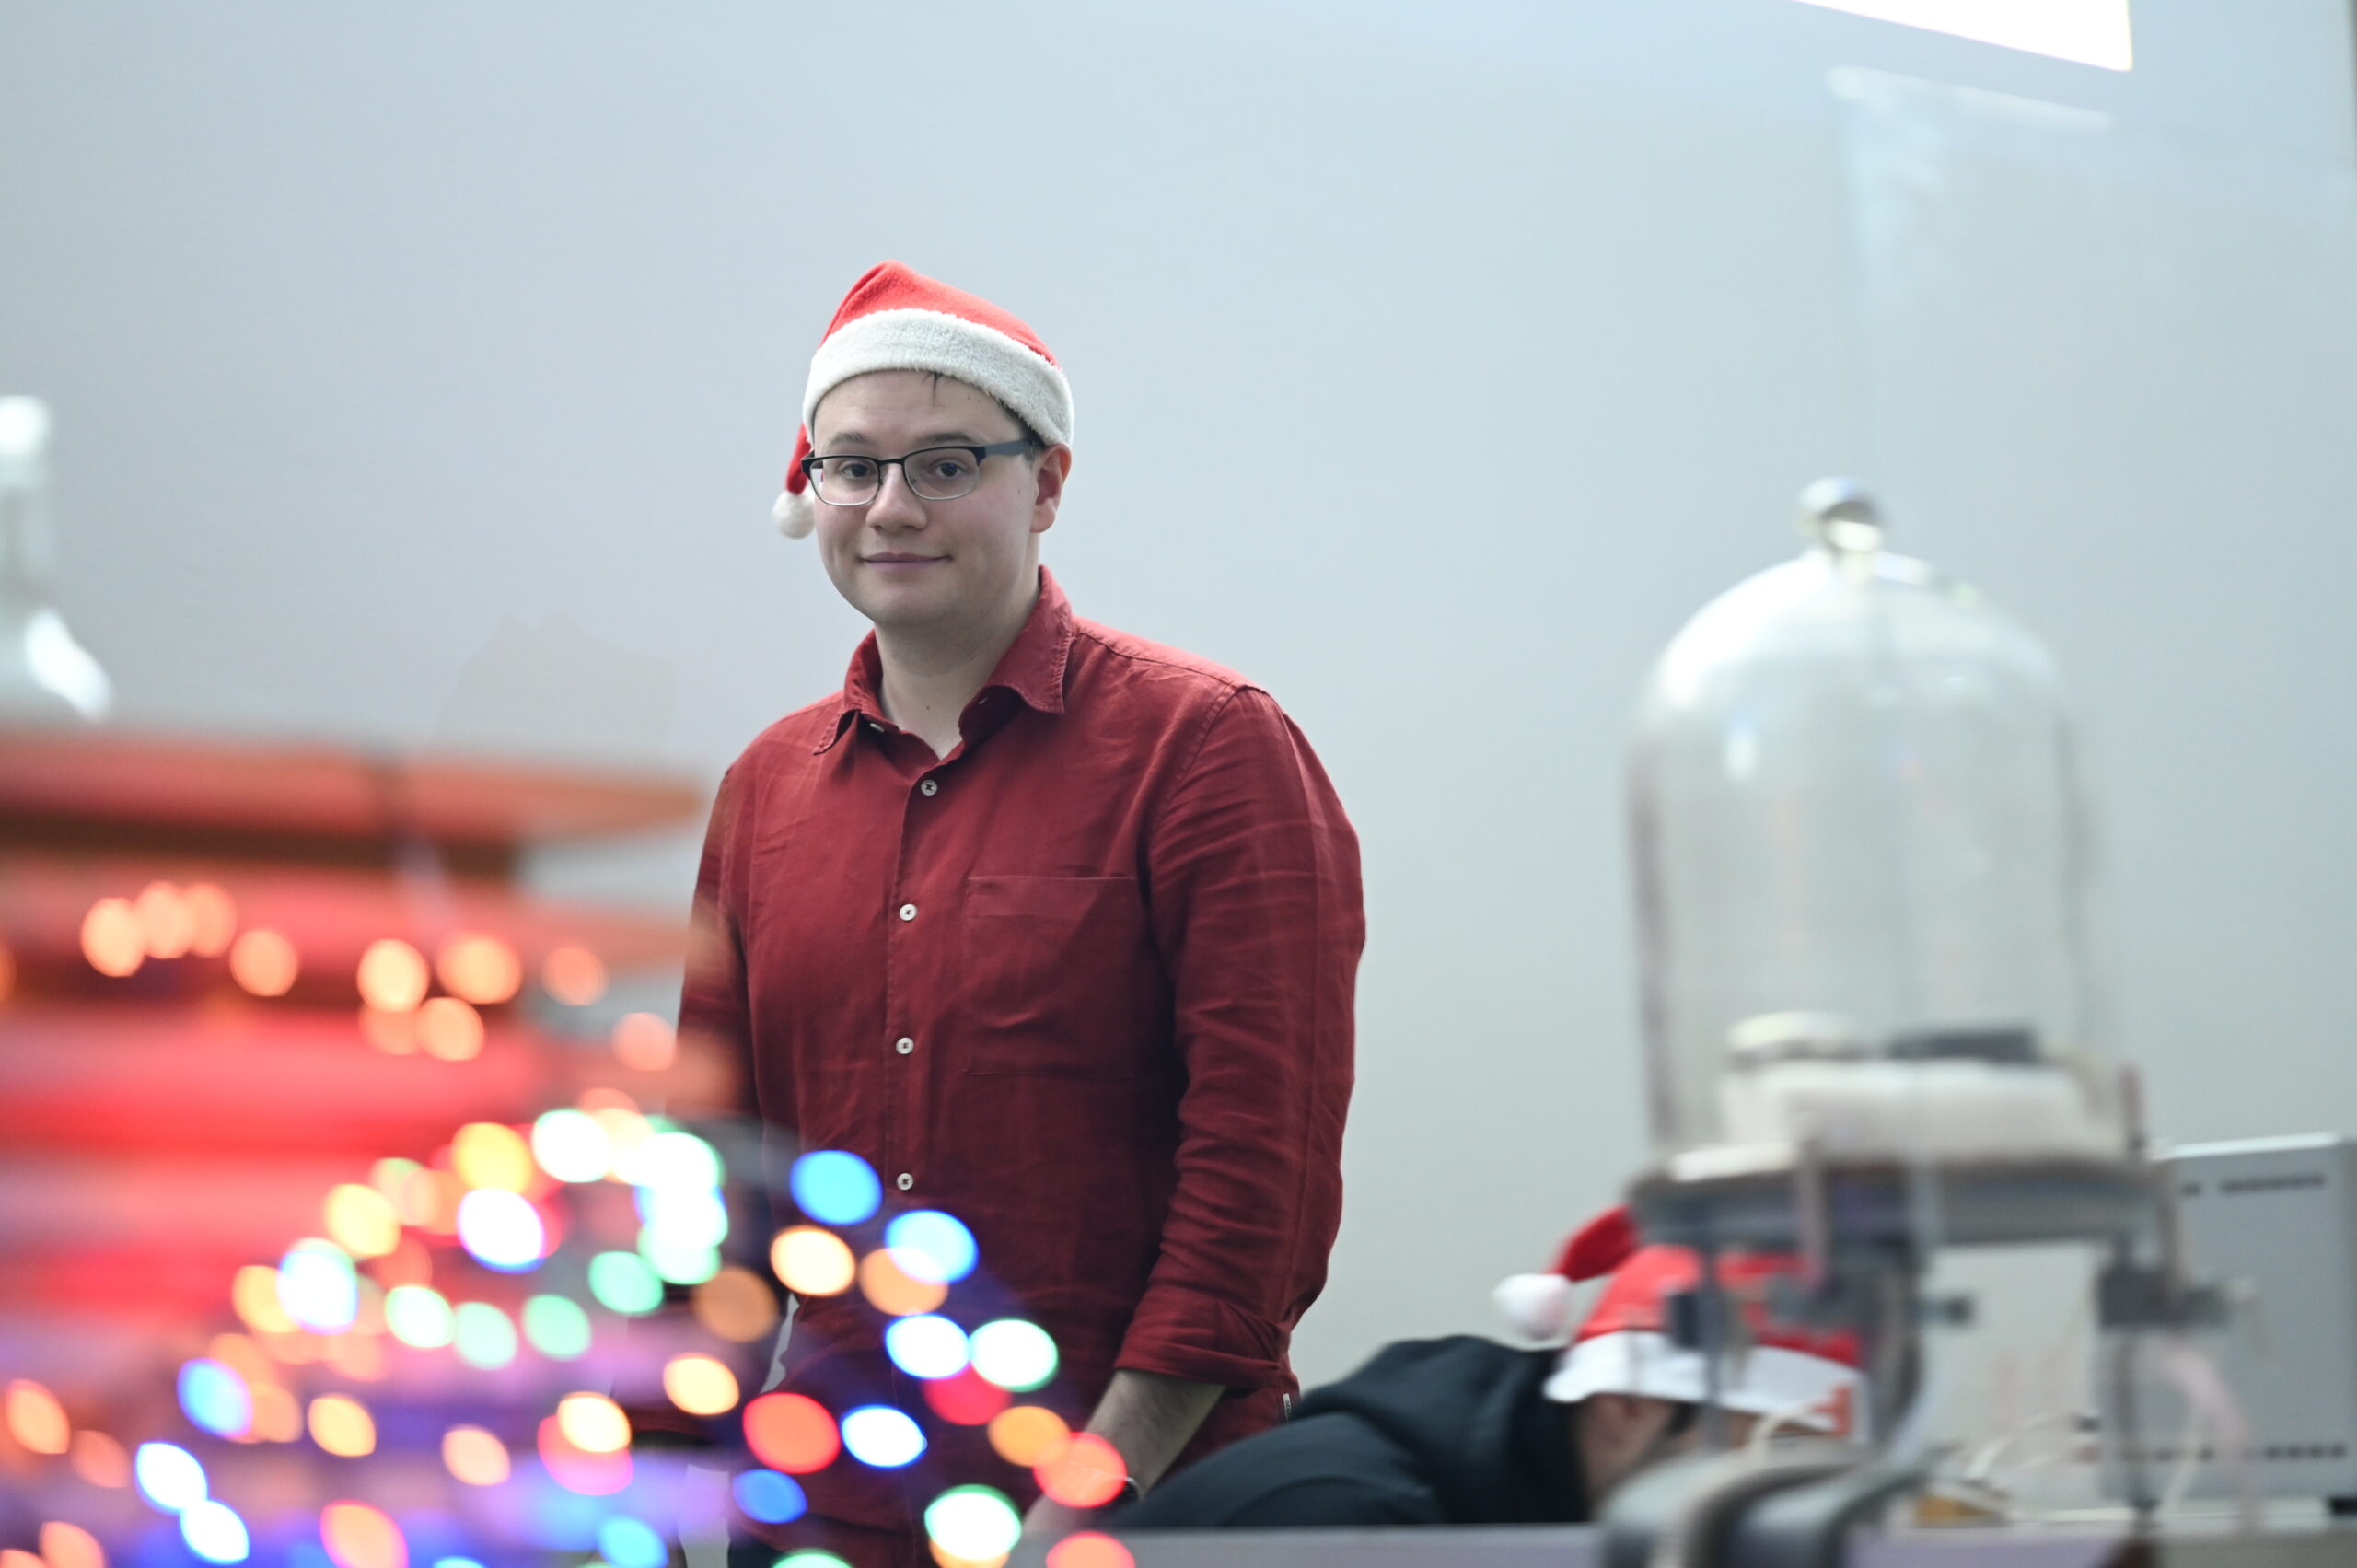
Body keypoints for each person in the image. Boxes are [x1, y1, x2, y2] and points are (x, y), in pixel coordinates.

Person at [678, 261, 1364, 1565]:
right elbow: (718, 1191)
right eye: (853, 466)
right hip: (830, 1512)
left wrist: (1086, 1501)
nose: (891, 507)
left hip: (1143, 1509)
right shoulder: (765, 789)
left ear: (1045, 484)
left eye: (946, 465)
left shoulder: (1208, 748)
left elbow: (1256, 1187)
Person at [1117, 1206, 1864, 1529]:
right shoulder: (1352, 1522)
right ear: (1632, 1402)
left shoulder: (1529, 1500)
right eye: (1770, 1452)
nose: (1780, 1500)